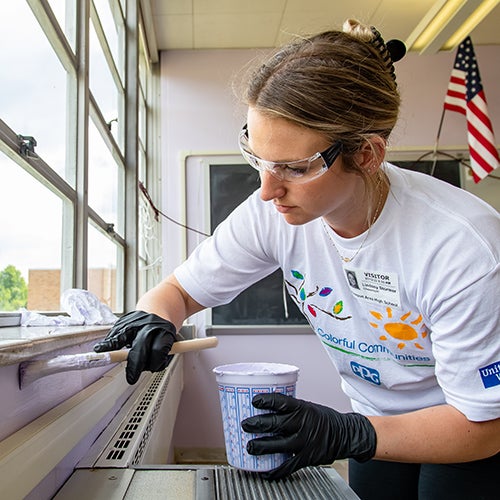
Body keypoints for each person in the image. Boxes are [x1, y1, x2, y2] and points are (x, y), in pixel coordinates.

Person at [94, 19, 500, 499]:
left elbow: (484, 426)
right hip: (377, 416)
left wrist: (345, 433)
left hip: (465, 427)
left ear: (367, 155)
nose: (267, 190)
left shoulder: (461, 247)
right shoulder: (271, 212)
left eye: (294, 167)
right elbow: (180, 291)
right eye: (259, 159)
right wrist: (153, 316)